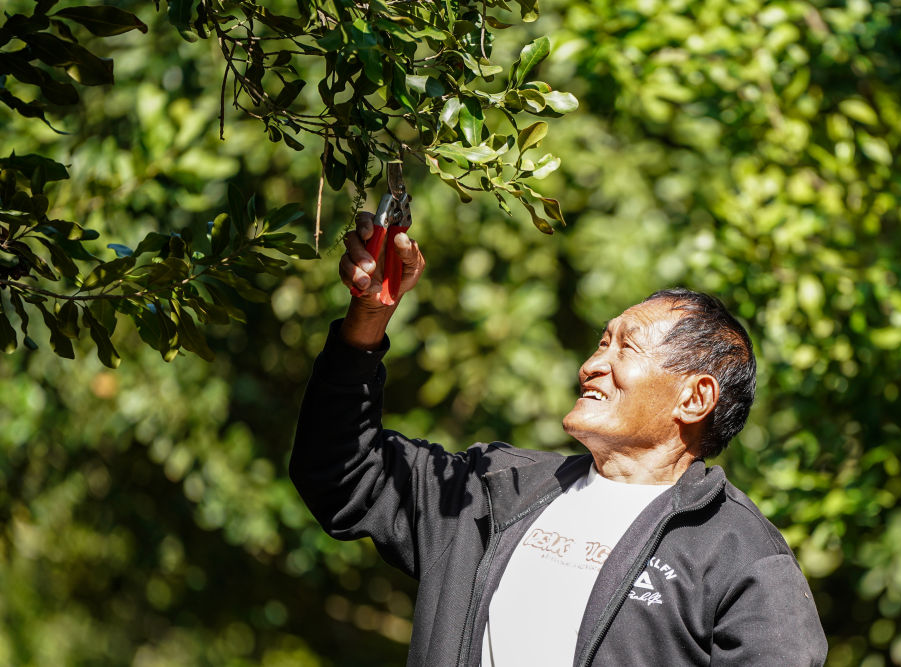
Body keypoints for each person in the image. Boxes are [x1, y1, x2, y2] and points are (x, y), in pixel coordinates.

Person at [290, 212, 828, 666]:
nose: (591, 365)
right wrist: (368, 318)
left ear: (694, 399)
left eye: (625, 348)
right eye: (601, 342)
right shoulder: (493, 490)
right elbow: (342, 472)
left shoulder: (740, 555)